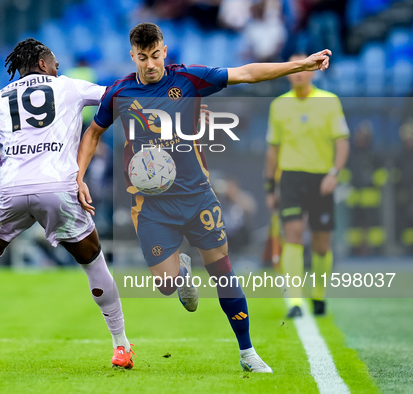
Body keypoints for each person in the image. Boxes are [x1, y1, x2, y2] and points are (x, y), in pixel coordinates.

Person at [77, 22, 331, 373]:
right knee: (166, 286)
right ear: (132, 56)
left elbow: (246, 72)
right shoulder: (119, 92)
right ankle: (180, 272)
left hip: (197, 197)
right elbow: (93, 132)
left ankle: (247, 352)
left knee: (222, 272)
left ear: (164, 52)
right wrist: (78, 176)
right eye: (142, 58)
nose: (150, 65)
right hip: (151, 205)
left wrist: (299, 65)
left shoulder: (189, 79)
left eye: (155, 56)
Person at [0, 38, 133, 370]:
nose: (58, 69)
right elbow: (117, 95)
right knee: (92, 261)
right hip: (58, 187)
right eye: (55, 64)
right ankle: (121, 346)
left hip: (12, 189)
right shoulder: (68, 87)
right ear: (43, 64)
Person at [264, 53, 349, 318]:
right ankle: (295, 301)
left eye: (304, 68)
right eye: (294, 69)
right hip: (290, 177)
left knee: (322, 243)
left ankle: (319, 295)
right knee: (294, 234)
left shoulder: (329, 101)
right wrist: (270, 186)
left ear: (313, 71)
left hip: (321, 178)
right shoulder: (278, 105)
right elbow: (272, 149)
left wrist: (334, 173)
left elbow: (342, 142)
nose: (299, 73)